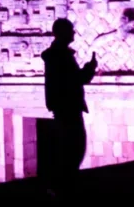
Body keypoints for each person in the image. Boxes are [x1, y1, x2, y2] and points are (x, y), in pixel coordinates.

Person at [41, 18, 97, 197]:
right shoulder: (60, 56)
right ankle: (62, 190)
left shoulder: (59, 55)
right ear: (63, 32)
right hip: (68, 109)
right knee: (73, 150)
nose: (74, 33)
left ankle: (62, 188)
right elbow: (74, 80)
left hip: (66, 109)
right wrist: (90, 68)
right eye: (71, 30)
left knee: (71, 150)